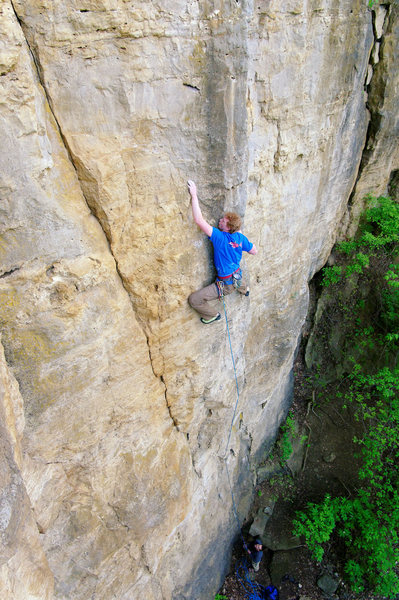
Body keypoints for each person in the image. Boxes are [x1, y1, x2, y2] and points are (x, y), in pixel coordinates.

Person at [187, 180, 258, 324]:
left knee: (194, 299)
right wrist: (241, 240)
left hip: (225, 284)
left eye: (223, 222)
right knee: (236, 277)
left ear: (228, 228)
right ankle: (244, 289)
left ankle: (213, 315)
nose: (220, 221)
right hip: (236, 275)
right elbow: (254, 251)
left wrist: (194, 195)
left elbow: (199, 220)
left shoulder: (219, 238)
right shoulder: (240, 237)